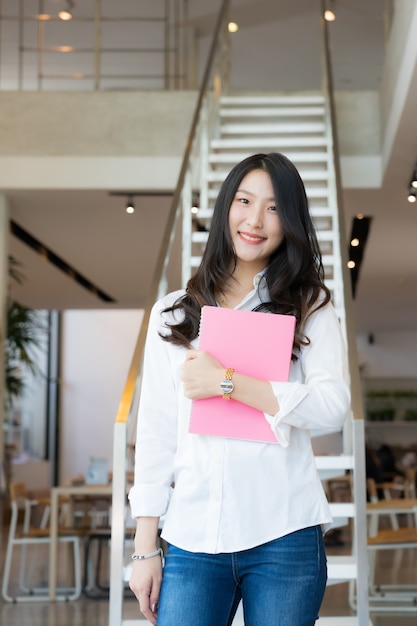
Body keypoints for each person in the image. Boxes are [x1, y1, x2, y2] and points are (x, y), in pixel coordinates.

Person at [128, 152, 350, 626]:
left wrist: (227, 383)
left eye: (273, 208)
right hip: (192, 538)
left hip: (284, 533)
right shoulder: (173, 312)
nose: (255, 220)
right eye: (244, 201)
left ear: (290, 220)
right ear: (226, 207)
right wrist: (145, 547)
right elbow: (156, 433)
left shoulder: (310, 306)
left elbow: (332, 408)